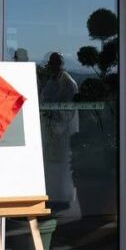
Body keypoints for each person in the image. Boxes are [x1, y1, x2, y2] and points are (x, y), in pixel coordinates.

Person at [40, 52, 79, 215]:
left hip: (62, 130)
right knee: (51, 164)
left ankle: (63, 197)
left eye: (55, 63)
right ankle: (52, 194)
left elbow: (69, 109)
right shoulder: (51, 81)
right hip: (51, 127)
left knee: (63, 164)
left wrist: (57, 124)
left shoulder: (68, 83)